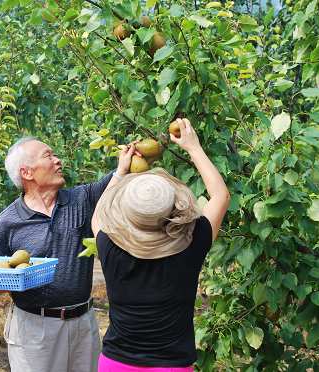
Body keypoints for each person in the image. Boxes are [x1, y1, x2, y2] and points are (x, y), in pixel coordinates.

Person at [91, 118, 230, 371]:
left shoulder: (109, 245)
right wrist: (193, 147)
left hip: (116, 363)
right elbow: (220, 195)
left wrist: (121, 171)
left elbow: (99, 214)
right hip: (172, 366)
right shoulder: (192, 242)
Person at [0, 136, 138, 372]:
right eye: (48, 156)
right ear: (27, 172)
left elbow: (116, 182)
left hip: (82, 322)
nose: (58, 160)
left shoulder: (81, 199)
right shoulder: (8, 222)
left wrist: (125, 163)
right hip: (34, 328)